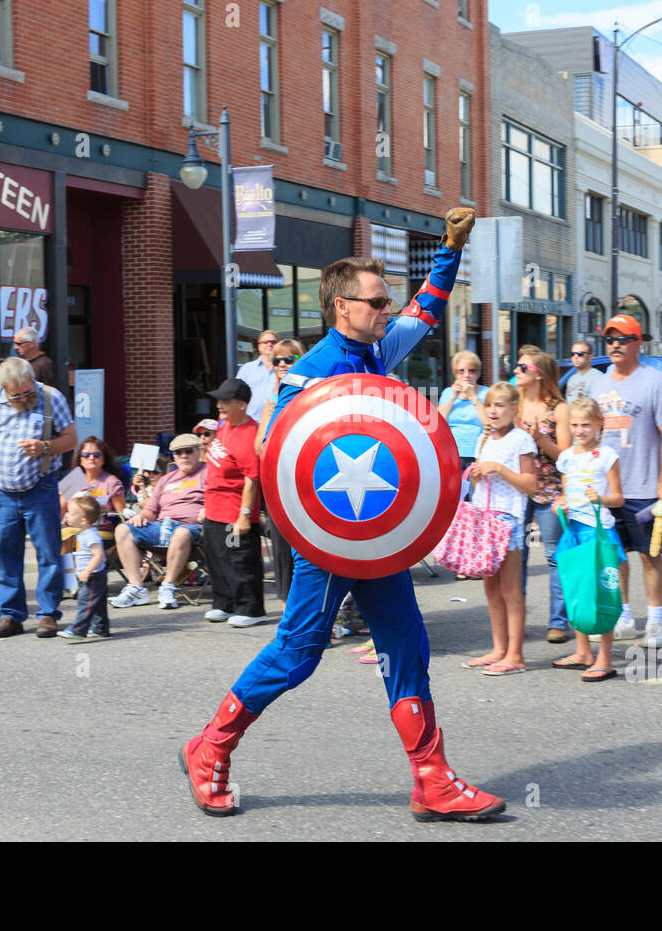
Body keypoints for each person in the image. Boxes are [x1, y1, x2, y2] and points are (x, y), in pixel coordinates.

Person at [181, 207, 506, 822]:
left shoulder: (376, 350)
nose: (386, 310)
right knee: (298, 652)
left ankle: (432, 778)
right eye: (376, 302)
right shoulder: (307, 377)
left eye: (385, 302)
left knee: (407, 642)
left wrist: (450, 248)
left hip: (375, 533)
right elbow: (281, 461)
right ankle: (210, 747)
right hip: (328, 538)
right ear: (342, 308)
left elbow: (427, 308)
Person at [586, 315, 662, 648]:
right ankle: (623, 616)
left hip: (644, 488)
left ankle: (656, 621)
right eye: (610, 339)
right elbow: (587, 434)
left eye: (622, 339)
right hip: (609, 491)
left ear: (638, 343)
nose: (615, 345)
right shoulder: (597, 383)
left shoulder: (654, 380)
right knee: (615, 555)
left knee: (649, 554)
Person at [0, 356, 78, 639]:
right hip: (2, 491)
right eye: (16, 395)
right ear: (4, 388)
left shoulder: (51, 398)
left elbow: (71, 438)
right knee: (6, 554)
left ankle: (48, 615)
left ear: (32, 380)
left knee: (48, 553)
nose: (24, 398)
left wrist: (45, 446)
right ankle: (11, 615)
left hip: (40, 487)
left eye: (28, 392)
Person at [462, 382, 537, 675]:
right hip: (484, 518)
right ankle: (499, 648)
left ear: (514, 408)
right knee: (491, 588)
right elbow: (482, 479)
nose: (493, 411)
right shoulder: (485, 439)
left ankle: (515, 655)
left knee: (510, 589)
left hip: (508, 520)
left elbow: (531, 485)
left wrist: (500, 469)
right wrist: (479, 474)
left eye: (500, 405)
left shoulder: (522, 440)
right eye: (490, 405)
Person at [550, 398, 626, 680]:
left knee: (602, 591)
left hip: (599, 530)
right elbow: (566, 493)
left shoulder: (607, 455)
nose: (580, 430)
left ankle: (605, 658)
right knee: (576, 588)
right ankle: (583, 652)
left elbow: (618, 498)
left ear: (598, 425)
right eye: (574, 425)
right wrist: (561, 504)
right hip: (573, 529)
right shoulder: (566, 457)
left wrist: (601, 498)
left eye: (586, 424)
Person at [110, 433, 206, 611]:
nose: (183, 455)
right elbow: (151, 510)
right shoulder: (167, 479)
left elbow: (220, 499)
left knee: (181, 532)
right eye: (178, 453)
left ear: (199, 451)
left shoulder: (208, 473)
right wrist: (141, 516)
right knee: (123, 529)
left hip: (194, 530)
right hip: (162, 527)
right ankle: (136, 587)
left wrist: (209, 510)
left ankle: (168, 586)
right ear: (173, 457)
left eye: (188, 451)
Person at [514, 349, 569, 642]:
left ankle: (558, 622)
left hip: (550, 491)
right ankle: (516, 620)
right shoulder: (516, 404)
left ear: (540, 374)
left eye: (523, 367)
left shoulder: (559, 409)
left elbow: (566, 456)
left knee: (554, 557)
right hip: (519, 491)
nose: (517, 370)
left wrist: (537, 437)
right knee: (517, 556)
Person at [200, 378, 265, 627]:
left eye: (226, 401)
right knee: (217, 559)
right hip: (214, 507)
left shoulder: (250, 435)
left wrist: (244, 515)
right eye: (218, 400)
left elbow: (251, 480)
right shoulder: (224, 426)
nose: (219, 405)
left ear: (242, 404)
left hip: (233, 511)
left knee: (239, 560)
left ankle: (250, 609)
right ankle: (224, 604)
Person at [255, 338, 305, 609]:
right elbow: (259, 446)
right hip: (277, 480)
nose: (282, 365)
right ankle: (290, 610)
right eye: (277, 360)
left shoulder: (310, 394)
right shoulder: (272, 400)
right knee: (282, 548)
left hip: (306, 480)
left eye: (289, 359)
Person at [59, 496, 111, 640]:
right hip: (89, 575)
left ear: (83, 520)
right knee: (98, 604)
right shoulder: (82, 534)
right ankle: (100, 629)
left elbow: (98, 555)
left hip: (93, 576)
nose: (66, 515)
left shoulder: (91, 536)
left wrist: (87, 570)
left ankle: (78, 630)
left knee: (85, 602)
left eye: (69, 512)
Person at [437, 350, 488, 471]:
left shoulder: (486, 393)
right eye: (461, 371)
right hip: (451, 453)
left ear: (477, 373)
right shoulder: (447, 393)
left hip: (477, 453)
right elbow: (438, 421)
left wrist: (473, 397)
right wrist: (453, 397)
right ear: (455, 373)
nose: (466, 375)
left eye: (472, 370)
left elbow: (488, 423)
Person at [59, 436, 126, 518]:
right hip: (71, 528)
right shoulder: (73, 479)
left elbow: (122, 515)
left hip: (101, 529)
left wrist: (109, 512)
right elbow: (59, 512)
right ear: (80, 460)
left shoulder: (112, 482)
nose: (91, 458)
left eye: (96, 455)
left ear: (104, 459)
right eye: (86, 455)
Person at [237, 329, 279, 421]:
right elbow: (237, 395)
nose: (269, 344)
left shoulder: (283, 369)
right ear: (259, 347)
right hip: (251, 423)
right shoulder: (246, 369)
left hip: (276, 422)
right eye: (265, 342)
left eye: (273, 342)